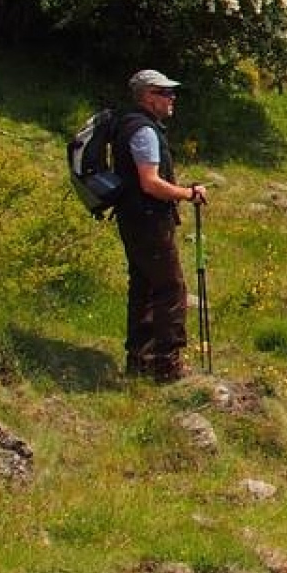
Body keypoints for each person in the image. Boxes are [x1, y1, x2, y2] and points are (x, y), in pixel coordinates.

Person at [111, 69, 206, 382]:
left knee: (144, 287)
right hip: (149, 220)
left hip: (132, 218)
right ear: (148, 97)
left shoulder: (128, 124)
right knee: (170, 289)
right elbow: (150, 183)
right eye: (165, 93)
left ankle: (139, 361)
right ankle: (167, 365)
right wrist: (188, 194)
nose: (172, 97)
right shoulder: (144, 131)